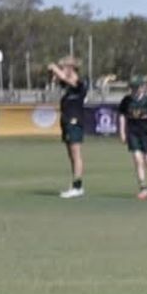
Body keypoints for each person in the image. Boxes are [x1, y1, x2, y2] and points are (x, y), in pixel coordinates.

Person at [48, 55, 87, 196]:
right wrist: (53, 74)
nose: (62, 70)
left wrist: (55, 68)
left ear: (71, 68)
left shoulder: (79, 84)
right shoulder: (67, 85)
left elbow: (65, 78)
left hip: (74, 121)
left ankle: (77, 187)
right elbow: (58, 80)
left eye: (64, 67)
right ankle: (76, 183)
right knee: (71, 155)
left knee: (76, 154)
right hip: (66, 121)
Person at [122, 72, 147, 199]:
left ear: (142, 87)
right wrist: (122, 132)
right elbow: (122, 116)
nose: (134, 90)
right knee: (138, 160)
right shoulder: (126, 100)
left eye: (136, 87)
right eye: (132, 87)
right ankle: (143, 187)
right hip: (133, 133)